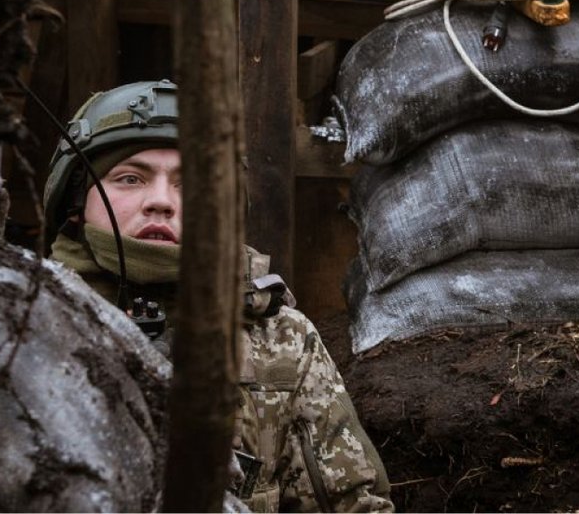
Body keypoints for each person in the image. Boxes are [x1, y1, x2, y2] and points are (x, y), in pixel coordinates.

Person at [42, 79, 393, 513]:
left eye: (190, 185)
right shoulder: (25, 323)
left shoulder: (279, 338)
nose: (161, 202)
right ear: (77, 200)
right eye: (130, 178)